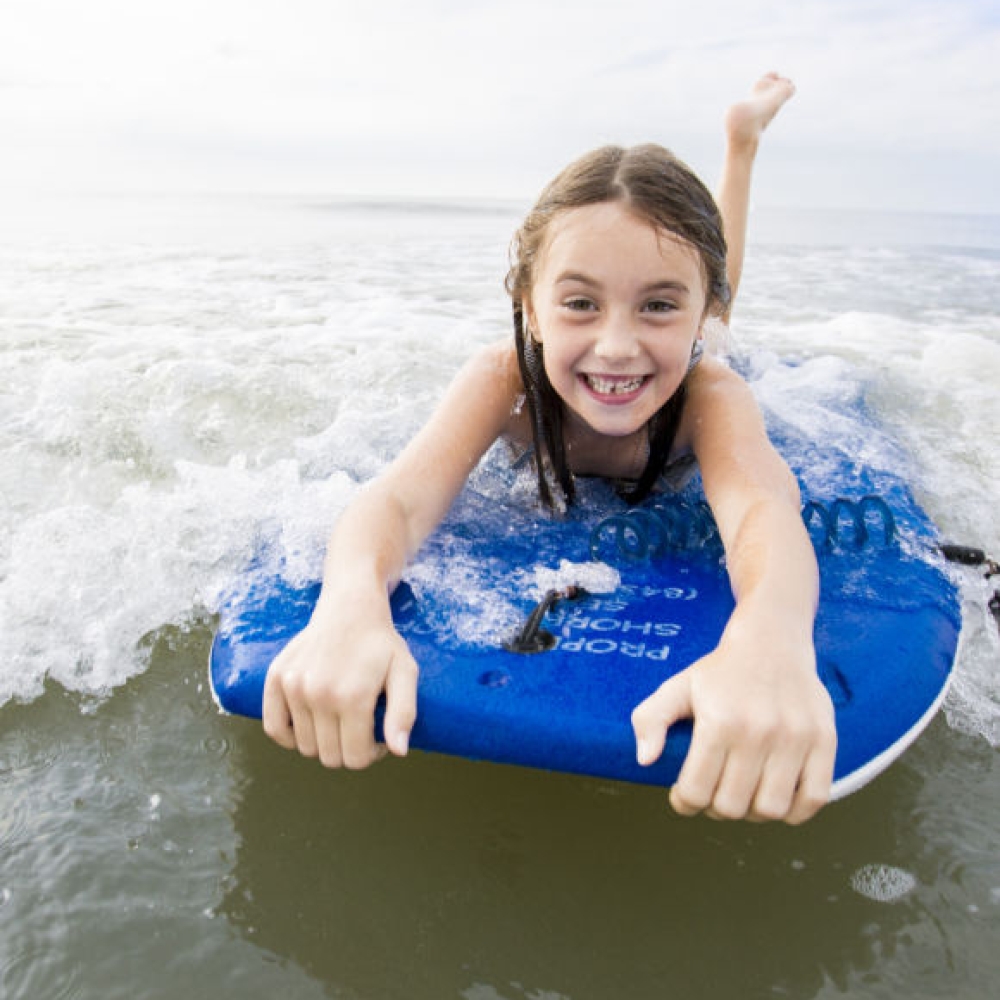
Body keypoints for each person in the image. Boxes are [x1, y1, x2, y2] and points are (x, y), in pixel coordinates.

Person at [262, 73, 837, 825]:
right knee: (691, 286)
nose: (618, 345)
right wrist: (349, 604)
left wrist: (772, 634)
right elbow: (399, 499)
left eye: (659, 305)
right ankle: (732, 157)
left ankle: (741, 144)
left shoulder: (711, 395)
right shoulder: (505, 382)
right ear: (529, 308)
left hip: (704, 352)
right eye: (579, 303)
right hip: (633, 332)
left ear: (693, 316)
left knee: (724, 308)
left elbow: (764, 511)